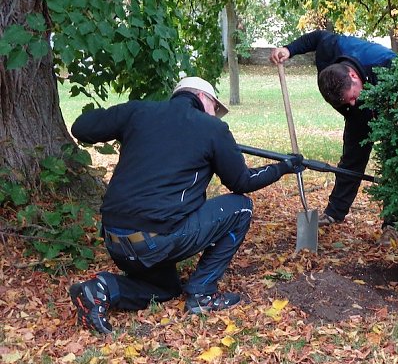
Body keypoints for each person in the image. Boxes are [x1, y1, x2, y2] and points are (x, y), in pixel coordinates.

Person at [68, 76, 304, 334]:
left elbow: (82, 128)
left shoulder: (138, 112)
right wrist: (283, 167)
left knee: (165, 290)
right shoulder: (212, 129)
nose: (216, 116)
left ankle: (100, 289)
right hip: (154, 240)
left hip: (115, 239)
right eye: (216, 108)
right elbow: (242, 182)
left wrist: (127, 122)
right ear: (204, 98)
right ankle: (203, 294)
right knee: (241, 207)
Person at [270, 30, 397, 243]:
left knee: (394, 165)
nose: (352, 102)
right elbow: (317, 37)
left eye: (352, 97)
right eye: (346, 102)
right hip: (359, 118)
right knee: (351, 162)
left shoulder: (384, 63)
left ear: (354, 77)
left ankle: (393, 224)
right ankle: (335, 213)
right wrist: (289, 49)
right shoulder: (329, 51)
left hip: (391, 111)